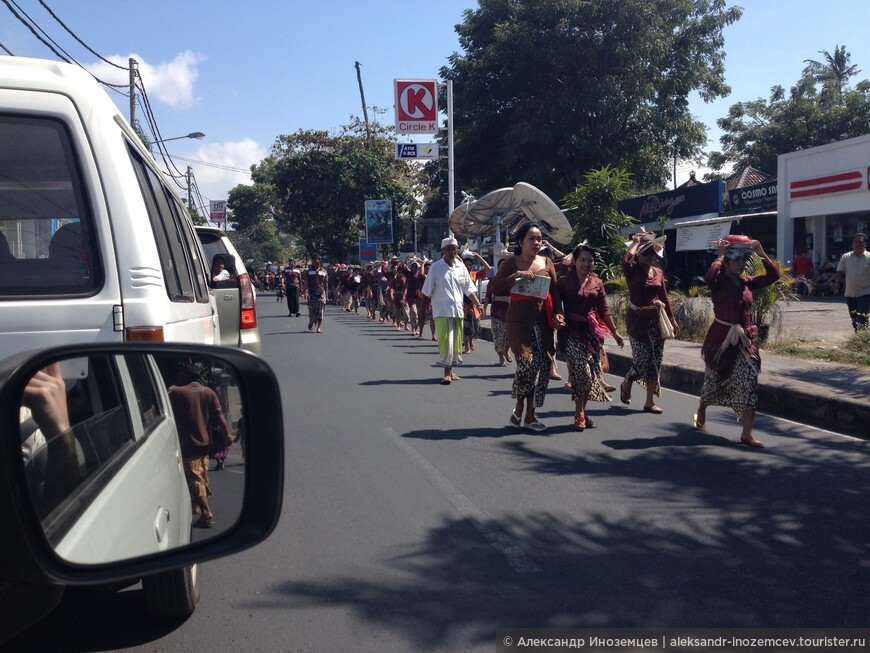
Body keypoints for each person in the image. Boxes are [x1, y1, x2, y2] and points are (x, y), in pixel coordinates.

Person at [693, 238, 779, 449]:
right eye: (737, 260)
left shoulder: (747, 282)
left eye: (744, 259)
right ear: (727, 262)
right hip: (721, 340)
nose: (742, 264)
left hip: (745, 342)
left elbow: (773, 276)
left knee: (749, 380)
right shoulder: (719, 281)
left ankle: (746, 433)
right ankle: (702, 410)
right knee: (714, 381)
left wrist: (760, 252)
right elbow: (708, 277)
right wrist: (721, 254)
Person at [489, 224, 565, 432]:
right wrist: (516, 276)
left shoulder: (547, 262)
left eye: (539, 238)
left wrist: (559, 313)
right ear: (521, 242)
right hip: (519, 321)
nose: (536, 242)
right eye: (531, 238)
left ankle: (528, 414)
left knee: (540, 368)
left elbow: (555, 292)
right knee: (526, 365)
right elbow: (495, 286)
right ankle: (519, 407)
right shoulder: (512, 263)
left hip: (542, 322)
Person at [557, 244, 625, 430]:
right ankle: (579, 413)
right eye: (582, 260)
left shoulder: (597, 282)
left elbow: (604, 309)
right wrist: (557, 315)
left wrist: (616, 333)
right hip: (570, 332)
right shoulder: (564, 281)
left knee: (591, 376)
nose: (586, 263)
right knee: (583, 374)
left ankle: (582, 412)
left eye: (590, 260)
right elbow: (555, 305)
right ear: (575, 261)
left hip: (591, 334)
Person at [619, 232, 679, 414]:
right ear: (639, 255)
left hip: (656, 320)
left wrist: (672, 319)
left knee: (655, 361)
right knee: (642, 360)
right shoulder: (632, 270)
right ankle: (628, 380)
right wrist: (636, 244)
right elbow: (626, 260)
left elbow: (664, 297)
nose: (650, 257)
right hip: (637, 319)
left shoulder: (658, 272)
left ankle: (649, 401)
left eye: (652, 253)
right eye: (646, 253)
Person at [168, 362, 231, 528]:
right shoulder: (208, 392)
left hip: (187, 443)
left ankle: (206, 512)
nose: (178, 376)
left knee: (196, 477)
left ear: (188, 375)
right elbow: (219, 416)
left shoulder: (175, 392)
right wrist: (228, 434)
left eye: (181, 373)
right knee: (202, 475)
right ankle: (196, 506)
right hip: (204, 443)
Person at [421, 237, 482, 385]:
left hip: (458, 311)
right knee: (447, 342)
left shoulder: (461, 267)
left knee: (455, 344)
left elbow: (469, 289)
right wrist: (422, 313)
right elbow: (426, 292)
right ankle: (446, 373)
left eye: (454, 249)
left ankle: (451, 370)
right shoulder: (435, 268)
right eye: (449, 249)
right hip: (442, 311)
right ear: (443, 251)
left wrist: (478, 304)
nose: (452, 251)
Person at [833, 233, 870, 331]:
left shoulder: (869, 257)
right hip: (850, 293)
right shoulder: (846, 257)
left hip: (865, 292)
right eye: (855, 242)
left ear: (865, 244)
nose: (857, 244)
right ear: (852, 243)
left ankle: (863, 339)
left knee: (863, 316)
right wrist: (836, 284)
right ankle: (858, 336)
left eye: (860, 242)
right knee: (854, 318)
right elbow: (839, 271)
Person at [461, 250, 490, 353]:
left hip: (473, 303)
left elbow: (488, 269)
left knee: (475, 324)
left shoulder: (474, 274)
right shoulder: (460, 274)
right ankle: (466, 347)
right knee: (465, 325)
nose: (468, 267)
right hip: (463, 303)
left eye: (470, 265)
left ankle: (471, 341)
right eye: (466, 265)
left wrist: (478, 256)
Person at [486, 256, 512, 366]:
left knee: (511, 336)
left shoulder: (513, 280)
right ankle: (501, 358)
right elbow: (487, 296)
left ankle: (506, 349)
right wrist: (483, 308)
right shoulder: (493, 281)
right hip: (497, 311)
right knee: (499, 336)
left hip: (511, 311)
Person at [306, 253, 328, 333]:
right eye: (315, 259)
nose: (317, 261)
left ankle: (318, 327)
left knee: (320, 310)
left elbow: (326, 284)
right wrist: (305, 292)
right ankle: (311, 321)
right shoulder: (309, 271)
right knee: (312, 310)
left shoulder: (324, 271)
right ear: (312, 261)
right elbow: (306, 282)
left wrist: (327, 295)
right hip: (312, 293)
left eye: (318, 259)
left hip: (322, 293)